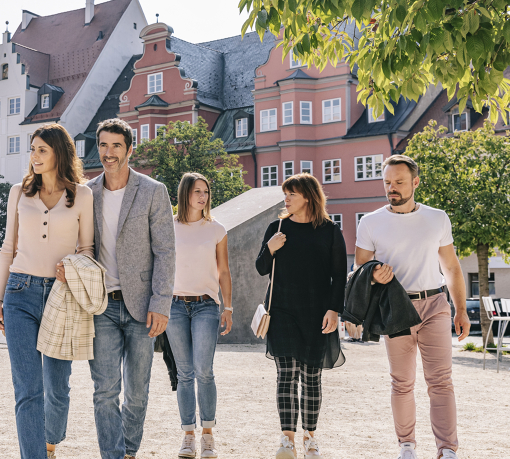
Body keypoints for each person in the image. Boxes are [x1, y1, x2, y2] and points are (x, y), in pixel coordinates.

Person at [354, 155, 469, 459]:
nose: (392, 188)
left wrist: (461, 309)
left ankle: (447, 450)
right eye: (388, 182)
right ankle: (407, 446)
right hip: (396, 307)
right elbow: (360, 270)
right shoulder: (370, 222)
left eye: (399, 182)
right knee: (402, 382)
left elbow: (452, 268)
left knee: (441, 381)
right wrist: (374, 275)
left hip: (435, 305)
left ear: (415, 182)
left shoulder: (437, 218)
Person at [0, 123, 93, 459]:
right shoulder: (19, 193)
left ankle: (50, 441)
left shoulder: (82, 195)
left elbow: (88, 249)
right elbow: (8, 247)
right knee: (27, 389)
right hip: (20, 292)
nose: (34, 156)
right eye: (32, 149)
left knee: (57, 389)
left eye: (41, 150)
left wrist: (73, 268)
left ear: (58, 153)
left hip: (62, 297)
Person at [85, 118, 175, 459]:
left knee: (137, 391)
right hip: (101, 306)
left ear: (129, 149)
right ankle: (113, 454)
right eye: (104, 145)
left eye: (116, 146)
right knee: (105, 391)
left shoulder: (153, 191)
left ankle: (130, 451)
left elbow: (166, 250)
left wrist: (161, 303)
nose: (108, 153)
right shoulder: (86, 192)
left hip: (142, 306)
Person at [254, 173, 346, 459]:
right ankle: (287, 440)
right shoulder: (277, 226)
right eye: (286, 194)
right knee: (285, 376)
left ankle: (310, 437)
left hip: (316, 313)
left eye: (292, 193)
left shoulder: (330, 231)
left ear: (308, 195)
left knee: (311, 377)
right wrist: (270, 248)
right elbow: (260, 268)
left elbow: (339, 275)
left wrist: (334, 309)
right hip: (281, 310)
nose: (287, 198)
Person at [166, 172, 232, 459]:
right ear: (185, 194)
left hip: (206, 305)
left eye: (205, 191)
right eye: (197, 191)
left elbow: (224, 271)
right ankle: (188, 435)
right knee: (184, 373)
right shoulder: (168, 227)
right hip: (174, 306)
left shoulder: (216, 229)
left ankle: (207, 435)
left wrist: (227, 306)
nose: (202, 196)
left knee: (204, 371)